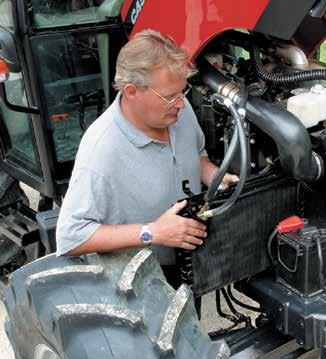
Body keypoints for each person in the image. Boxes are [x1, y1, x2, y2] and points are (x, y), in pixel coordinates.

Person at [56, 29, 237, 263]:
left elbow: (196, 154)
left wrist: (214, 176)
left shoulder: (177, 110)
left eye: (183, 91)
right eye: (170, 96)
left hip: (190, 262)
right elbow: (71, 236)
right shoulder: (102, 150)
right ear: (131, 91)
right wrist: (153, 232)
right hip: (143, 282)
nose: (181, 103)